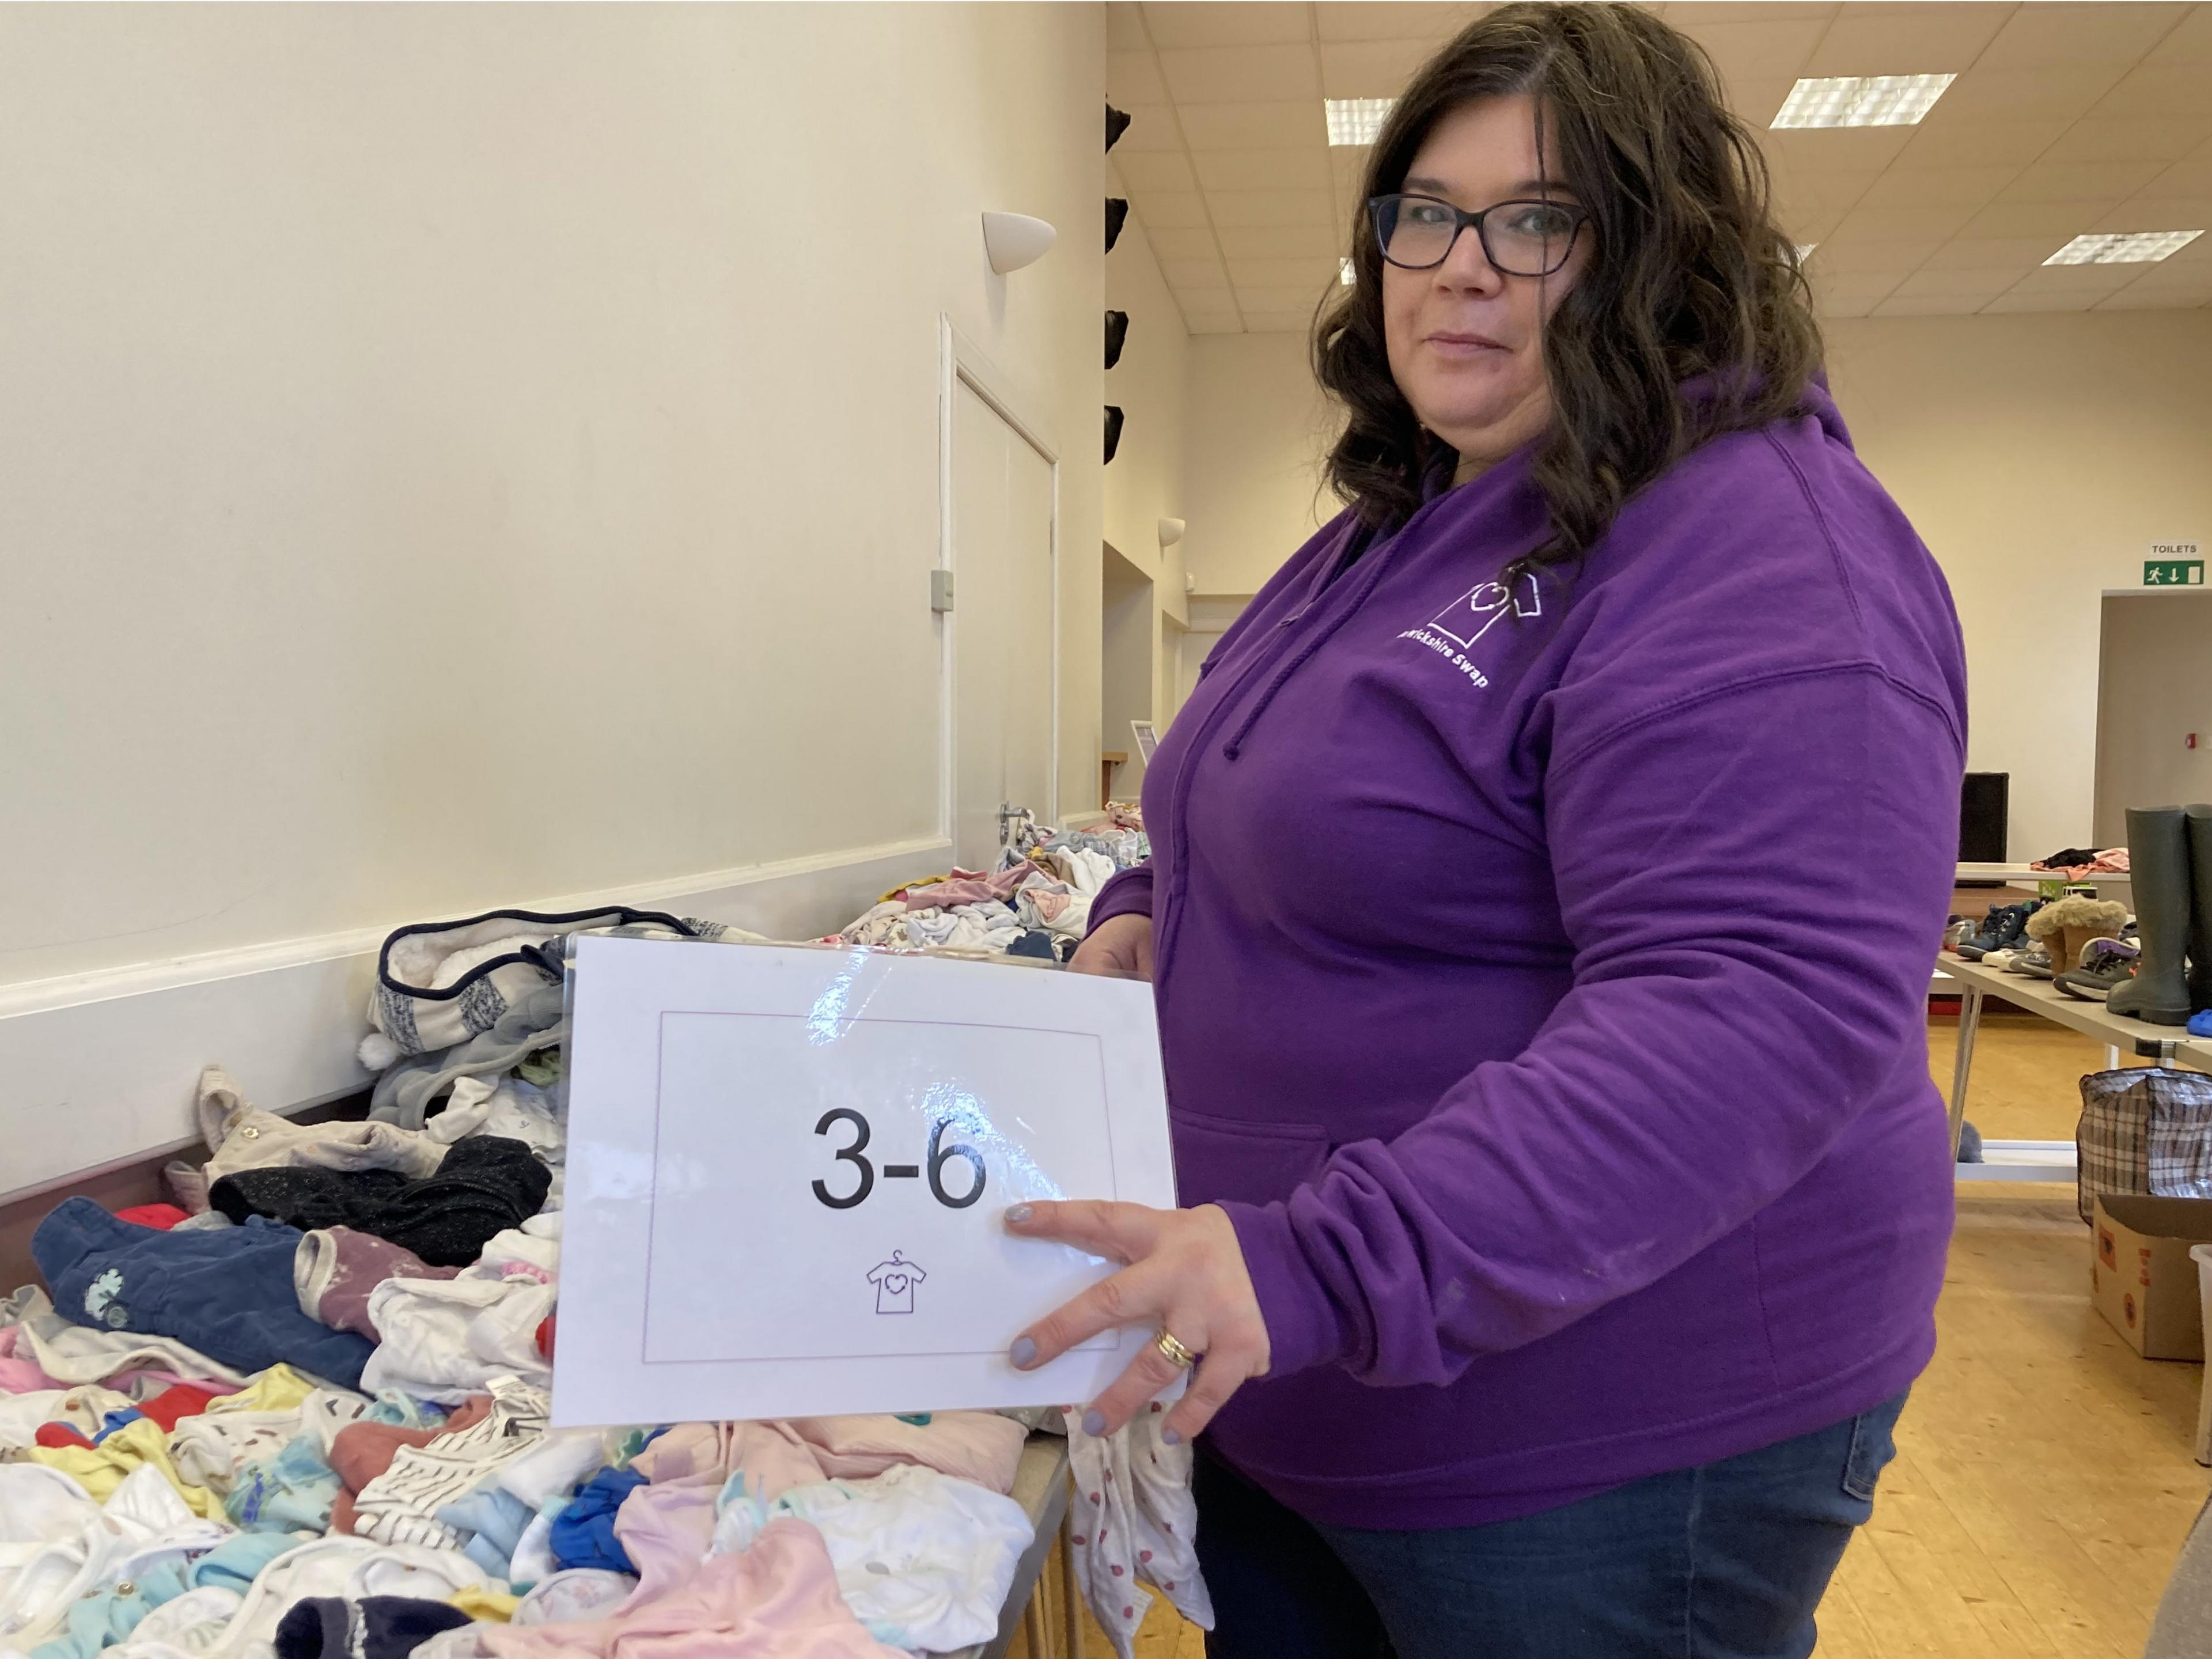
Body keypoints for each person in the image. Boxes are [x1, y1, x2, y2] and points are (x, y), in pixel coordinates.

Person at [999, 5, 1965, 1656]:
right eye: (1425, 214)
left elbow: (1755, 1015)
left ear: (1661, 258)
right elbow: (1243, 796)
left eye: (1539, 221)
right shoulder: (1395, 526)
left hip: (1595, 1448)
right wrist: (1153, 905)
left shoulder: (1755, 542)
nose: (1462, 264)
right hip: (1310, 1388)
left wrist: (1323, 1263)